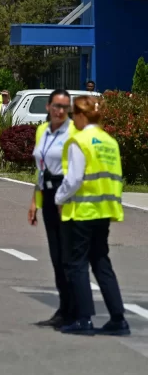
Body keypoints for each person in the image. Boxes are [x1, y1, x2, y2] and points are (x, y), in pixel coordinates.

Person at [55, 95, 129, 336]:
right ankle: (118, 318)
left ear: (81, 115)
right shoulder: (109, 142)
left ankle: (83, 318)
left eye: (73, 115)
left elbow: (75, 178)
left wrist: (58, 198)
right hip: (105, 210)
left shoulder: (81, 140)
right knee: (101, 262)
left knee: (76, 264)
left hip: (83, 210)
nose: (72, 120)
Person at [27, 89, 77, 329]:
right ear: (48, 107)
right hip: (46, 192)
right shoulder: (42, 131)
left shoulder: (73, 132)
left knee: (69, 256)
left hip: (65, 195)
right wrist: (35, 199)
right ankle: (63, 308)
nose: (60, 111)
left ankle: (74, 310)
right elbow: (41, 166)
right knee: (56, 256)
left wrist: (63, 199)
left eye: (65, 107)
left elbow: (76, 171)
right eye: (56, 106)